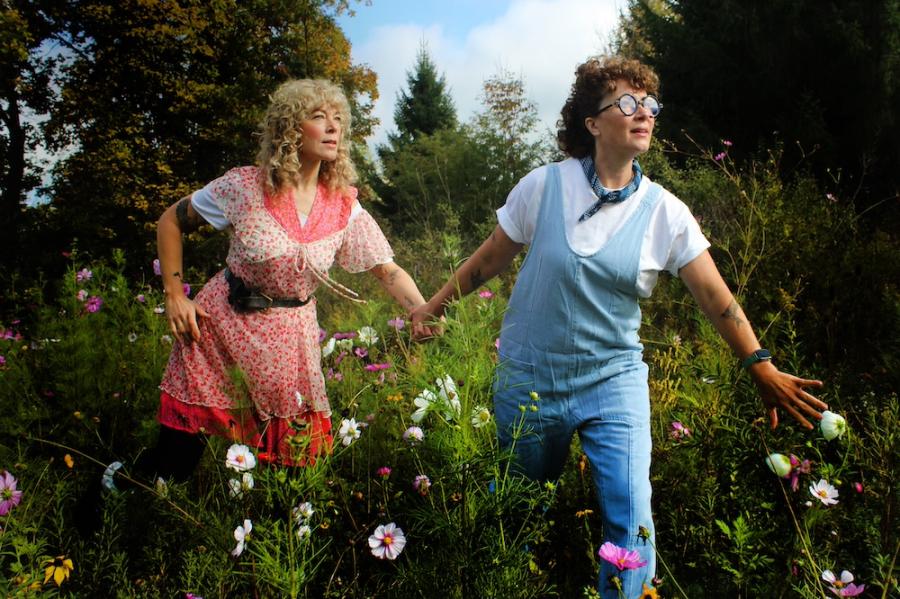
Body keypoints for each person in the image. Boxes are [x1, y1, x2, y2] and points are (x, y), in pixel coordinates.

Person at [411, 56, 826, 597]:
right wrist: (434, 306)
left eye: (650, 104)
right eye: (627, 103)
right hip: (530, 376)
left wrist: (759, 362)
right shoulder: (544, 186)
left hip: (614, 380)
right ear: (591, 122)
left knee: (630, 512)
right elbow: (489, 258)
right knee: (515, 504)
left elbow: (714, 296)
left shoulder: (665, 213)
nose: (644, 113)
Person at [151, 78, 432, 476]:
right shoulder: (245, 186)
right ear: (290, 130)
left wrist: (421, 309)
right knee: (175, 463)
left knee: (296, 465)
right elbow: (171, 221)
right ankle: (116, 496)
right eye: (319, 117)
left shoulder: (342, 206)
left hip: (287, 345)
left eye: (338, 118)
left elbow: (389, 271)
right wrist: (175, 295)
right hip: (217, 332)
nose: (334, 126)